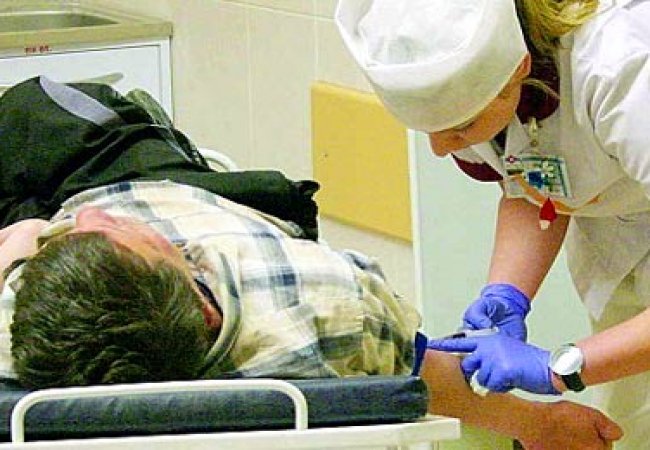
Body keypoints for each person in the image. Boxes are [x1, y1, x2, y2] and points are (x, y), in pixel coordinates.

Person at [0, 75, 621, 448]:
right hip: (166, 184)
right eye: (135, 240)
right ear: (202, 300)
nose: (93, 218)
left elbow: (26, 240)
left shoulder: (19, 328)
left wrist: (29, 241)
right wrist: (539, 416)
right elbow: (421, 368)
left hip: (57, 207)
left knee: (27, 114)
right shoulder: (322, 305)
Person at [336, 0, 650, 448]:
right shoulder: (492, 83)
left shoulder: (622, 69)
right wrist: (506, 293)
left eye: (461, 127)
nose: (441, 148)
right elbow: (533, 183)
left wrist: (561, 367)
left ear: (519, 69)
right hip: (622, 239)